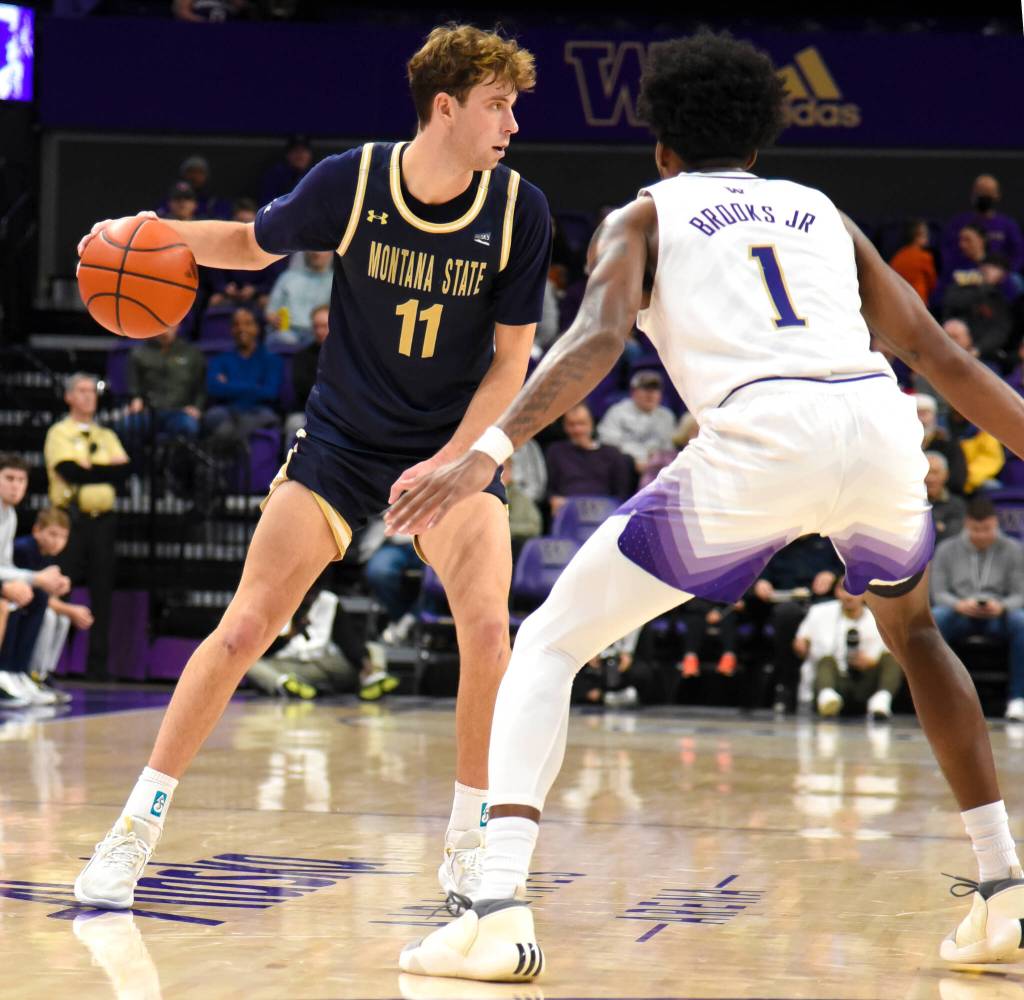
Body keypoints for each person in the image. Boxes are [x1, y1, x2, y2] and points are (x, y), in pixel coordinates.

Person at [387, 30, 1024, 980]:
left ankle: (496, 910)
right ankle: (1004, 886)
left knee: (551, 643)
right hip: (876, 425)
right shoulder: (821, 210)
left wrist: (484, 451)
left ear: (662, 147)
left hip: (763, 437)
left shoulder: (642, 217)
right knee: (917, 636)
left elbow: (595, 342)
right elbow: (939, 356)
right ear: (758, 144)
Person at [73, 24, 550, 916]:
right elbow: (251, 245)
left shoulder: (520, 208)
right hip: (341, 440)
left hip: (446, 447)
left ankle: (468, 843)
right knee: (246, 625)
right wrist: (147, 232)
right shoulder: (355, 182)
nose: (512, 124)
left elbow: (511, 363)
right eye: (498, 105)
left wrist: (455, 464)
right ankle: (131, 833)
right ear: (446, 108)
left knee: (490, 631)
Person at [44, 374, 129, 681]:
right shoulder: (59, 432)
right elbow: (68, 471)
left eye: (92, 391)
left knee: (102, 594)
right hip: (70, 520)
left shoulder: (106, 434)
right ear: (68, 396)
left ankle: (97, 667)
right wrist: (101, 471)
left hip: (102, 521)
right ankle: (49, 666)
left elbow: (124, 472)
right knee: (59, 588)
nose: (88, 396)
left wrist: (90, 470)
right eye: (81, 391)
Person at [931, 496, 1024, 722]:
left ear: (996, 524)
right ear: (966, 524)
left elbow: (1019, 594)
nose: (982, 535)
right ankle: (939, 696)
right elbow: (938, 593)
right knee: (935, 618)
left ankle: (1017, 698)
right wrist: (958, 604)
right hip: (959, 612)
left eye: (987, 529)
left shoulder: (1014, 549)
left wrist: (1002, 606)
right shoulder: (946, 549)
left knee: (1021, 622)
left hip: (998, 615)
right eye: (976, 529)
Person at [0, 455, 72, 706]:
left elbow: (5, 566)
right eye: (9, 478)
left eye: (21, 480)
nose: (15, 486)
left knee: (32, 595)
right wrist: (34, 578)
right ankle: (5, 671)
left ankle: (19, 672)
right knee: (13, 598)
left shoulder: (10, 515)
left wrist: (36, 580)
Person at [13, 507, 93, 702]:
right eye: (52, 534)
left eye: (63, 537)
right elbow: (36, 594)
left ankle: (43, 673)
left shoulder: (46, 555)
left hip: (29, 603)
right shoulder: (25, 549)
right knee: (50, 616)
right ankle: (29, 673)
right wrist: (70, 610)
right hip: (15, 603)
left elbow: (43, 595)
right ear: (36, 530)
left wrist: (56, 588)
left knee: (61, 618)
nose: (58, 541)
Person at [795, 580, 902, 720]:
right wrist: (801, 645)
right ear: (836, 592)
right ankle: (828, 699)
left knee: (892, 659)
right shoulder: (819, 612)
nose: (849, 595)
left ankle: (881, 701)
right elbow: (801, 641)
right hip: (836, 678)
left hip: (865, 681)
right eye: (844, 589)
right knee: (826, 660)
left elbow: (890, 651)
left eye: (855, 590)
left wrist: (870, 662)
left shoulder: (880, 617)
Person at [203, 307, 283, 447]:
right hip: (227, 411)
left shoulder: (271, 360)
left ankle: (225, 452)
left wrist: (229, 385)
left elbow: (270, 392)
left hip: (258, 411)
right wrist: (254, 387)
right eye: (236, 324)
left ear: (257, 328)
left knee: (262, 419)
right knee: (213, 416)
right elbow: (213, 388)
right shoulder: (220, 359)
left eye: (247, 323)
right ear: (231, 330)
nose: (241, 328)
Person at [122, 323, 206, 442]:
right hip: (148, 411)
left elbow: (201, 386)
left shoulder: (192, 353)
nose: (166, 328)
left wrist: (197, 407)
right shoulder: (139, 353)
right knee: (128, 425)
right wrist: (136, 399)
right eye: (162, 323)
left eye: (170, 323)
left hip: (180, 410)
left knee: (188, 426)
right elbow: (134, 386)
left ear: (178, 324)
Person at [544, 403, 633, 516]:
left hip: (603, 511)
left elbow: (621, 494)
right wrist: (553, 499)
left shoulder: (612, 454)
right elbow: (549, 489)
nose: (577, 429)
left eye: (582, 423)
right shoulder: (556, 451)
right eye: (571, 424)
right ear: (565, 427)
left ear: (591, 424)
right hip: (569, 511)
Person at [596, 369, 676, 477]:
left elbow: (668, 448)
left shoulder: (667, 416)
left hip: (656, 468)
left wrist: (652, 462)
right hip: (625, 465)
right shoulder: (617, 411)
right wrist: (634, 460)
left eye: (655, 390)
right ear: (633, 392)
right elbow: (608, 443)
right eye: (645, 389)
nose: (650, 395)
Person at [943, 175, 1024, 276]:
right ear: (973, 194)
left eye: (988, 192)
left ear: (997, 195)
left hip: (1000, 274)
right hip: (963, 273)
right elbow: (947, 253)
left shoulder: (1008, 225)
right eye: (980, 191)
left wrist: (1003, 274)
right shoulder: (959, 223)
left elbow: (1018, 255)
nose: (984, 195)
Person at [265, 251, 334, 350]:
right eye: (313, 248)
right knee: (276, 339)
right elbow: (270, 312)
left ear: (331, 253)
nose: (316, 253)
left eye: (322, 250)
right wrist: (274, 319)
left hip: (319, 332)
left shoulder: (335, 281)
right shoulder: (288, 277)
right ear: (304, 252)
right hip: (288, 333)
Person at [284, 302, 329, 440]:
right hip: (307, 412)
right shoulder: (302, 356)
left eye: (324, 326)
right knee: (294, 424)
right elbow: (303, 388)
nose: (319, 331)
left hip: (341, 414)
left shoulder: (347, 356)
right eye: (316, 327)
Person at [888, 219, 936, 305]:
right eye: (924, 234)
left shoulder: (898, 256)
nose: (928, 237)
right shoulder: (925, 257)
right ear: (915, 237)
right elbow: (932, 283)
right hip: (919, 301)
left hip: (899, 301)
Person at [926, 451, 966, 544]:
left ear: (946, 475)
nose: (930, 478)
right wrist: (937, 526)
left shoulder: (957, 505)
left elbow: (953, 537)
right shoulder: (906, 503)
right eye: (925, 472)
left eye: (935, 472)